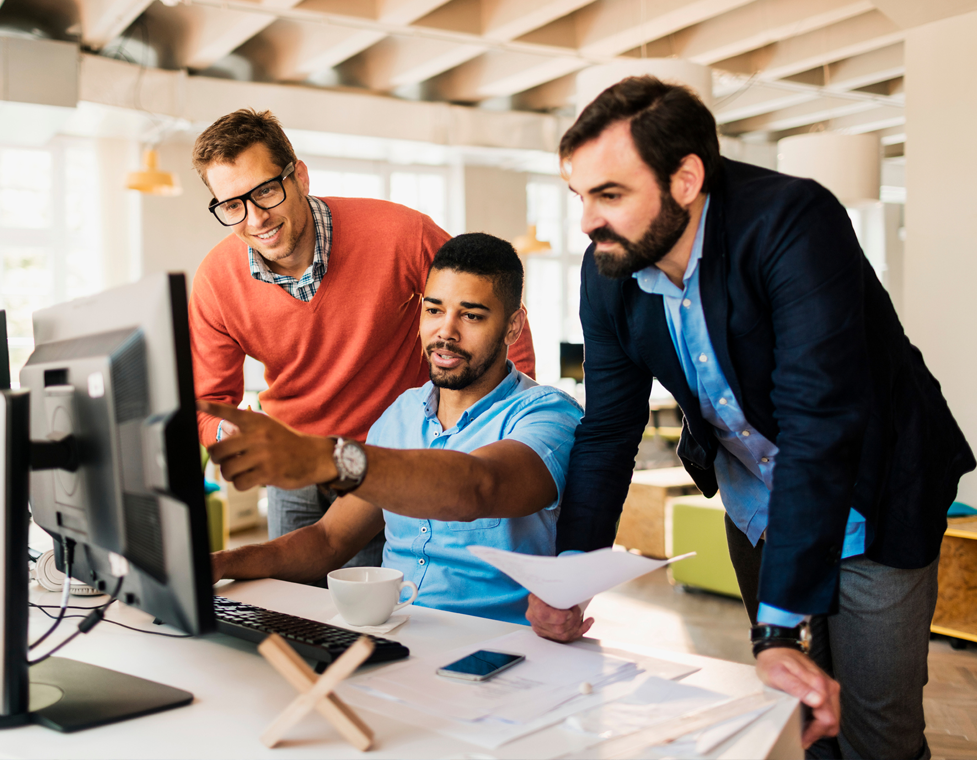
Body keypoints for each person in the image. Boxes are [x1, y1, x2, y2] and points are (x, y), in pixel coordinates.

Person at [527, 76, 974, 757]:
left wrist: (775, 632)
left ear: (685, 179)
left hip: (876, 484)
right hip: (756, 502)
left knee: (876, 731)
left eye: (609, 195)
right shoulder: (608, 268)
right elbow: (610, 429)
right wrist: (570, 574)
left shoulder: (793, 221)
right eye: (580, 196)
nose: (587, 222)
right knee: (799, 711)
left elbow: (819, 424)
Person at [189, 110, 536, 575]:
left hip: (392, 458)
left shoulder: (399, 233)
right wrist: (223, 431)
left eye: (266, 191)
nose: (255, 218)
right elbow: (207, 403)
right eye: (232, 205)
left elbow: (487, 306)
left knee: (386, 612)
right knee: (296, 609)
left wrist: (510, 427)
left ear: (300, 176)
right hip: (295, 469)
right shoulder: (215, 281)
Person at [201, 233, 581, 624]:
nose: (445, 332)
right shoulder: (401, 414)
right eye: (433, 310)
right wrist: (220, 563)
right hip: (398, 633)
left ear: (514, 326)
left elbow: (477, 487)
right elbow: (328, 540)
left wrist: (327, 458)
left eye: (471, 316)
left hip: (493, 646)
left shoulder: (548, 415)